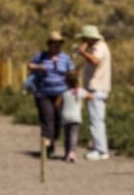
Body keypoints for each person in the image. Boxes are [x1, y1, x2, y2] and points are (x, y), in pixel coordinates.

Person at [28, 31, 74, 158]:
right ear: (49, 44)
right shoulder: (41, 56)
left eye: (59, 44)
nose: (56, 46)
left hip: (61, 93)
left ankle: (52, 142)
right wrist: (38, 67)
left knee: (58, 119)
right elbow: (29, 65)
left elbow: (71, 73)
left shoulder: (66, 58)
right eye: (54, 43)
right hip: (43, 92)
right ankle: (47, 145)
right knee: (47, 118)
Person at [76, 25, 112, 161]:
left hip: (97, 88)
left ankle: (100, 150)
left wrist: (83, 53)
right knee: (97, 120)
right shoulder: (99, 47)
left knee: (96, 120)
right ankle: (99, 147)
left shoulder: (99, 47)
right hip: (97, 88)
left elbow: (95, 61)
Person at [60, 72, 93, 163]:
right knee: (74, 135)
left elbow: (57, 104)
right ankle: (72, 152)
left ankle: (66, 153)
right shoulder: (79, 91)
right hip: (75, 117)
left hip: (65, 116)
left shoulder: (64, 93)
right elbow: (90, 96)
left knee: (66, 136)